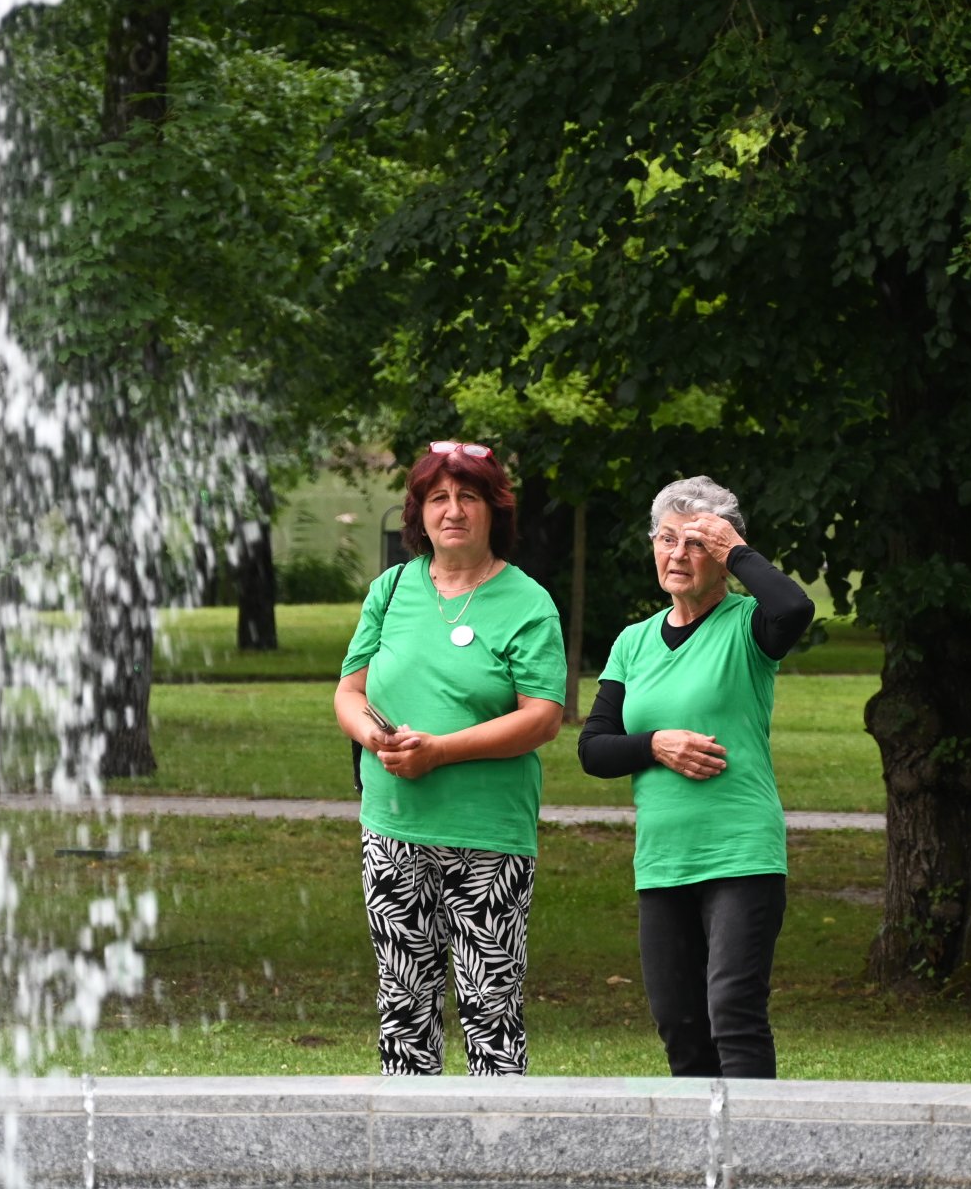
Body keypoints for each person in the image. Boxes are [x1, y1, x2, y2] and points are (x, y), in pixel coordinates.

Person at [333, 440, 567, 1075]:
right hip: (393, 829)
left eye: (469, 497)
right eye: (438, 497)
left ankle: (496, 1158)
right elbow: (349, 692)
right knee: (403, 1006)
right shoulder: (392, 588)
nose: (453, 510)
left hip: (488, 834)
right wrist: (373, 737)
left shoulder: (528, 602)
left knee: (491, 1007)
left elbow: (543, 715)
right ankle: (413, 1156)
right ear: (419, 512)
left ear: (494, 511)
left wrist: (439, 752)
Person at [576, 476, 815, 1077]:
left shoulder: (749, 626)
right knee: (681, 1026)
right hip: (663, 860)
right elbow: (595, 749)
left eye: (696, 543)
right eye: (666, 539)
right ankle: (699, 1166)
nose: (678, 555)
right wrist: (655, 743)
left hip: (741, 852)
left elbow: (794, 607)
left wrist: (735, 549)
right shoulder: (633, 642)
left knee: (732, 1012)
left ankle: (750, 1163)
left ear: (724, 554)